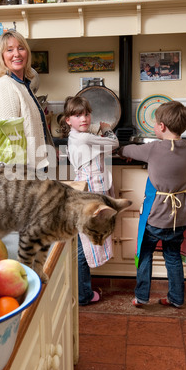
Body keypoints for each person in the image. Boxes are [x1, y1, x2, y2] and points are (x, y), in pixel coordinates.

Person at [119, 100, 186, 308]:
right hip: (178, 219)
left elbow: (128, 150)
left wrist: (121, 151)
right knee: (172, 257)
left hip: (155, 217)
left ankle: (141, 297)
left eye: (155, 123)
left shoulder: (153, 149)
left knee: (144, 255)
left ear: (161, 127)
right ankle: (177, 298)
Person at [61, 96, 119, 305]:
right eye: (77, 115)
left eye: (86, 113)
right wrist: (106, 129)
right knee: (84, 244)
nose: (83, 118)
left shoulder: (78, 136)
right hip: (91, 191)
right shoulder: (85, 138)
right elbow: (114, 143)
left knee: (82, 241)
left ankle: (82, 291)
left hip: (87, 190)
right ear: (68, 120)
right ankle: (83, 294)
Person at [0, 29, 53, 169]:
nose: (16, 54)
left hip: (35, 167)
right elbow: (9, 140)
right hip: (21, 172)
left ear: (27, 53)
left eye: (21, 48)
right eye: (9, 50)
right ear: (2, 56)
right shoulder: (5, 85)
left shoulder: (23, 86)